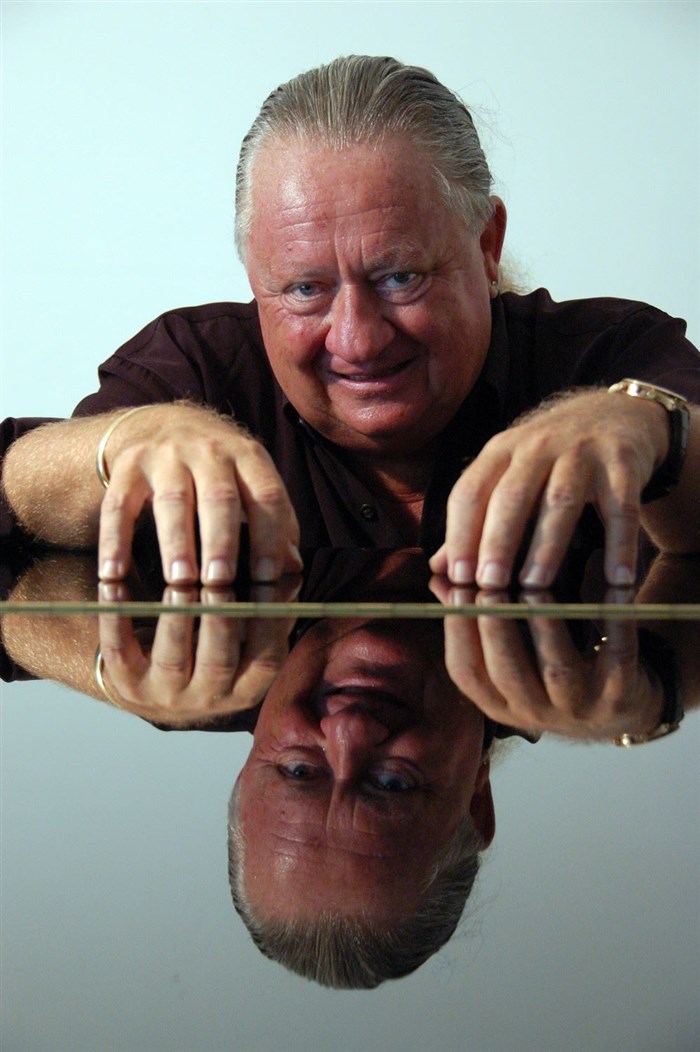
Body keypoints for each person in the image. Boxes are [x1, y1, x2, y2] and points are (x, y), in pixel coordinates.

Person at [2, 55, 700, 596]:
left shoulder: (610, 357)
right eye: (306, 289)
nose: (357, 341)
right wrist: (120, 443)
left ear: (487, 243)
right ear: (254, 274)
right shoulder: (195, 368)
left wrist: (654, 434)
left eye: (400, 277)